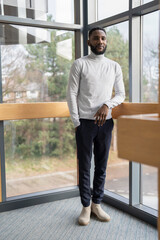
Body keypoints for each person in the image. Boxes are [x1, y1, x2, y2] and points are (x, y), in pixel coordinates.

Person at [67, 27, 125, 226]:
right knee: (84, 167)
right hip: (84, 123)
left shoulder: (114, 66)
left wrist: (107, 104)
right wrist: (77, 122)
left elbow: (121, 94)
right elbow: (71, 94)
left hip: (106, 123)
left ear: (106, 42)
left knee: (101, 167)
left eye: (103, 38)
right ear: (89, 42)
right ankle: (85, 207)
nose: (100, 41)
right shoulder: (80, 64)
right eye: (96, 38)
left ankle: (96, 204)